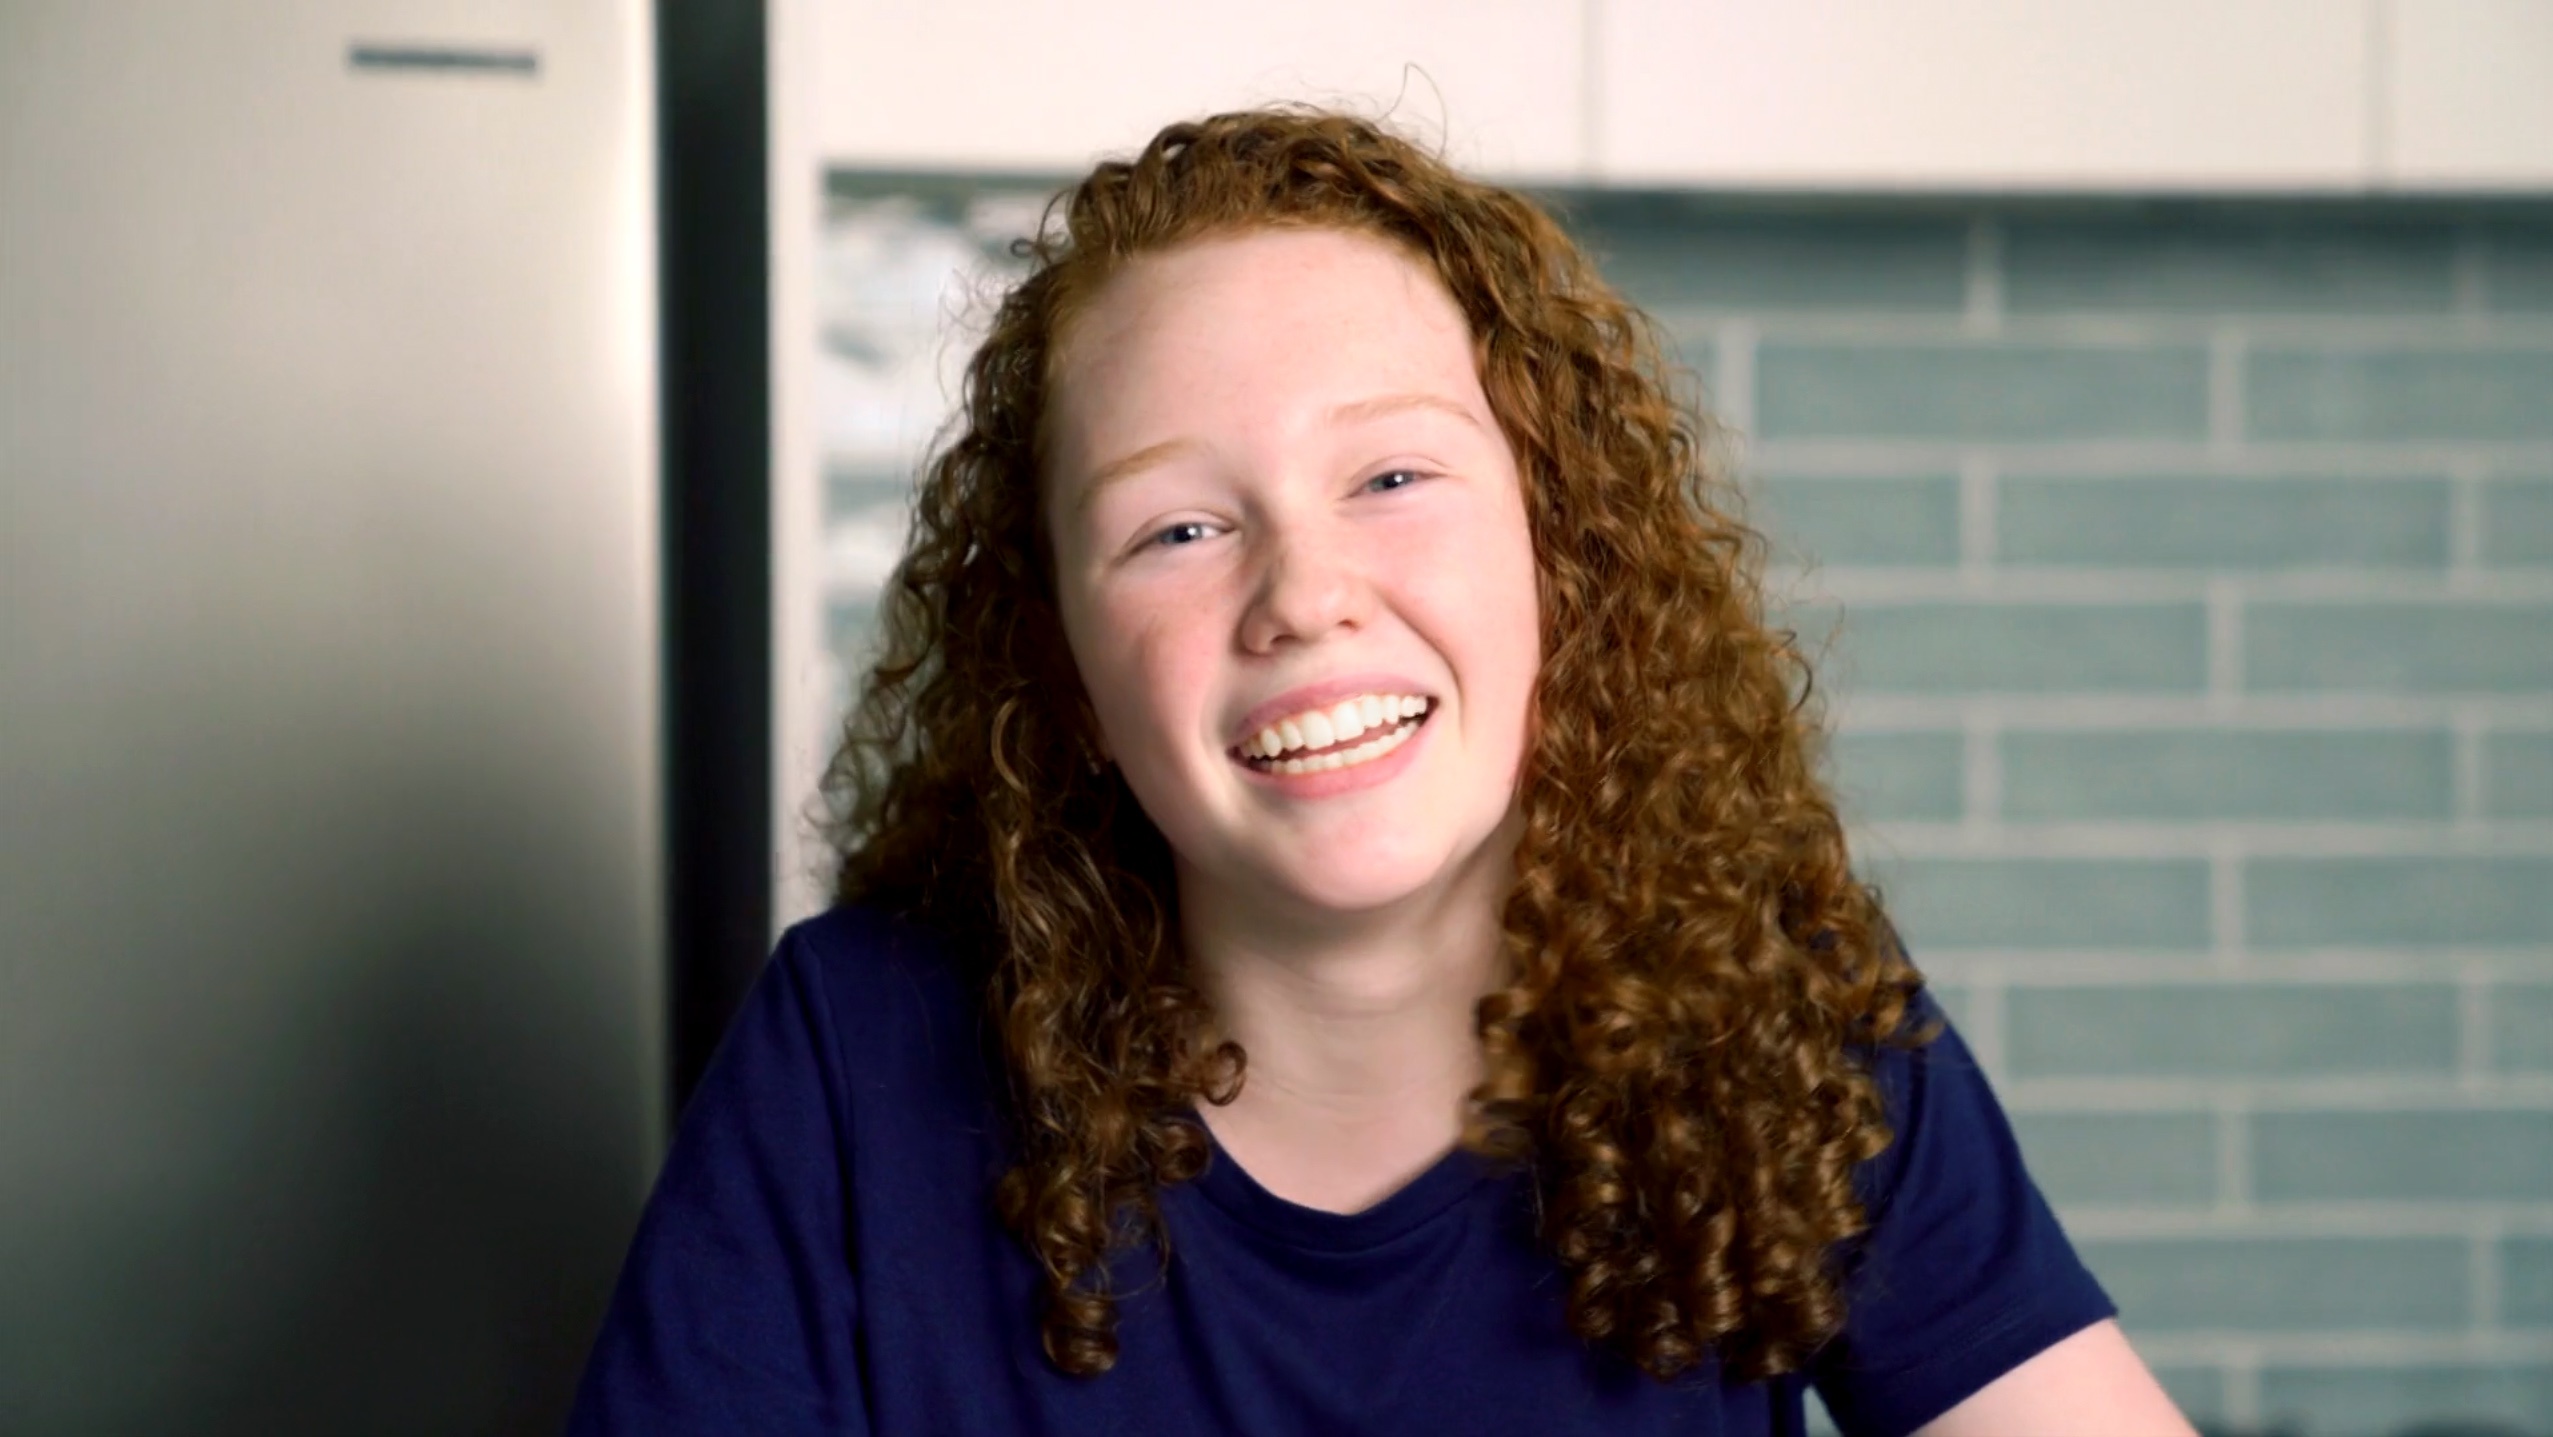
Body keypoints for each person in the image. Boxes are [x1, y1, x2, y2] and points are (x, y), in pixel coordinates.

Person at [568, 108, 2196, 1436]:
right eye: (1177, 529)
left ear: (1562, 553)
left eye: (1393, 474)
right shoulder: (854, 1062)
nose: (1303, 593)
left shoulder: (1770, 1016)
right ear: (1060, 666)